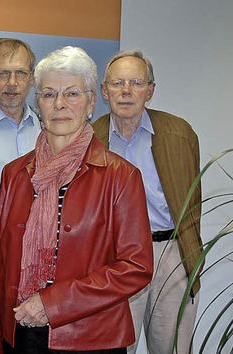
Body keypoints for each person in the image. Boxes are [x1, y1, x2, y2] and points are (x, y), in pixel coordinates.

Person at [0, 46, 154, 354]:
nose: (59, 104)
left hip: (91, 337)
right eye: (48, 94)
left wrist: (52, 304)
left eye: (72, 94)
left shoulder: (121, 176)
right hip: (22, 332)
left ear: (91, 103)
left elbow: (135, 266)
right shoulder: (15, 173)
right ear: (39, 104)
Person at [92, 50, 203, 354]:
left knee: (173, 347)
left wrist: (189, 256)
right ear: (104, 91)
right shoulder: (90, 138)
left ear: (150, 91)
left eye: (136, 82)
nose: (126, 91)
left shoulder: (179, 134)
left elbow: (193, 201)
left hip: (170, 253)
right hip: (115, 257)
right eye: (117, 83)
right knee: (116, 346)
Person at [0, 38, 41, 188]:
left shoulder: (48, 127)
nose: (12, 82)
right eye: (3, 73)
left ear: (32, 78)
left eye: (20, 73)